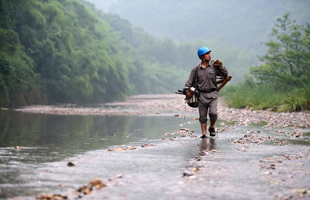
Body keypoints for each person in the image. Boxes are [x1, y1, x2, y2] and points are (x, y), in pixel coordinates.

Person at [183, 46, 228, 138]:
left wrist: (220, 66)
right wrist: (186, 92)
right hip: (201, 95)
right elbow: (188, 83)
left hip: (213, 94)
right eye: (207, 54)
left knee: (213, 113)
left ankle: (211, 127)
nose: (209, 55)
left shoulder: (214, 67)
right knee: (202, 117)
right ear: (202, 57)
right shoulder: (195, 70)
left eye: (209, 53)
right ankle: (204, 134)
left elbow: (225, 74)